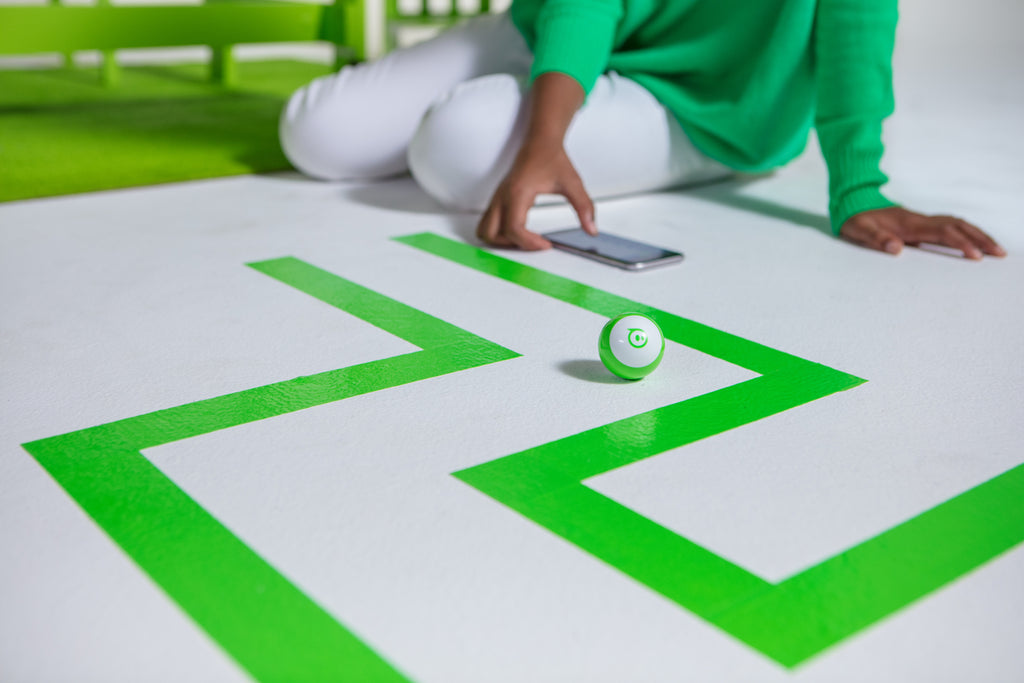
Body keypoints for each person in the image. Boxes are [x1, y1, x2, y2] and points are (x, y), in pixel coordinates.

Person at [279, 0, 1005, 259]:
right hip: (558, 27)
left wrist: (859, 188)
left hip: (708, 102)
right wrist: (544, 138)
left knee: (453, 146)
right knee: (315, 133)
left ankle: (717, 158)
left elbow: (857, 30)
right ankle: (532, 92)